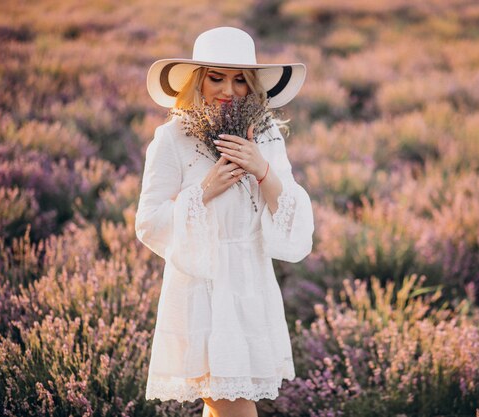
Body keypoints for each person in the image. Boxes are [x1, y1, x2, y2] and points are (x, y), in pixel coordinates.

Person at [135, 27, 314, 417]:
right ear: (197, 80)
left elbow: (295, 226)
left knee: (221, 408)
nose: (228, 90)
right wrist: (204, 190)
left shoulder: (266, 137)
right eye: (216, 77)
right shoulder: (172, 138)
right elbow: (148, 223)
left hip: (251, 284)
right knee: (233, 407)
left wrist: (262, 169)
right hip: (201, 289)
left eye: (239, 80)